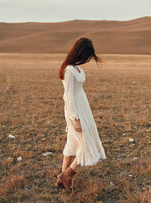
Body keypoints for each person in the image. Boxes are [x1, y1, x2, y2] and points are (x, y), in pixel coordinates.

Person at [55, 37, 107, 191]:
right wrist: (76, 118)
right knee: (85, 144)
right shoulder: (69, 70)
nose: (87, 60)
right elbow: (69, 96)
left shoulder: (77, 68)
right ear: (80, 53)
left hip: (83, 107)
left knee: (73, 143)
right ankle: (67, 175)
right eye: (87, 56)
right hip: (75, 111)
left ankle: (63, 179)